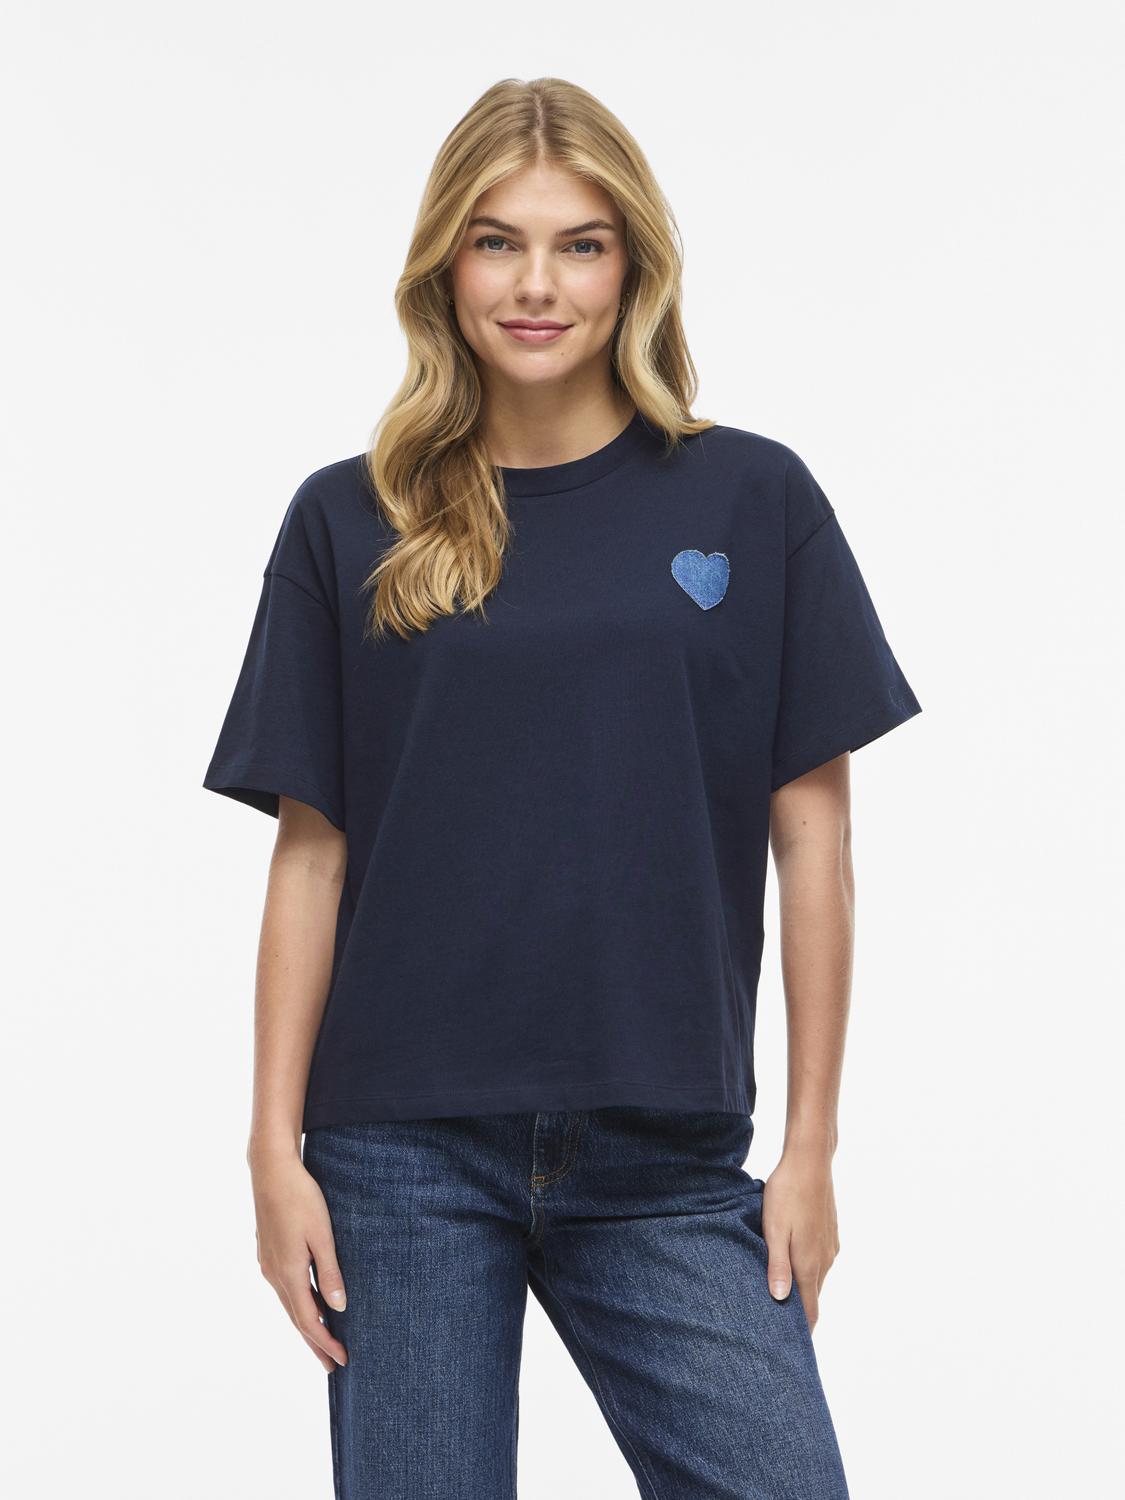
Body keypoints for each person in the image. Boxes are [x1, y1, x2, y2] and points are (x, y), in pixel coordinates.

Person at [202, 77, 922, 1500]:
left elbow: (814, 841)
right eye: (498, 242)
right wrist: (271, 1151)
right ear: (444, 266)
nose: (537, 284)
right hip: (399, 1152)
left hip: (666, 1144)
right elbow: (310, 855)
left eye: (580, 244)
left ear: (633, 267)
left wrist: (811, 1147)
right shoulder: (347, 516)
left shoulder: (753, 500)